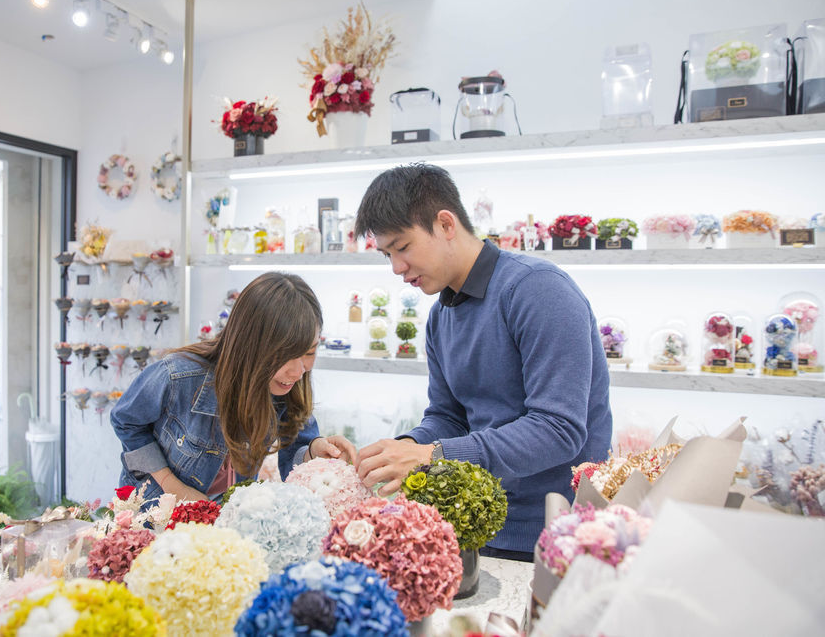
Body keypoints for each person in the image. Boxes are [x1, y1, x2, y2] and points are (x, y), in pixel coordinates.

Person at [353, 163, 612, 561]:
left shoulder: (536, 290)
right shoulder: (442, 316)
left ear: (445, 224)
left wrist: (432, 456)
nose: (396, 269)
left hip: (558, 536)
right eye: (387, 254)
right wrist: (401, 449)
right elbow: (448, 416)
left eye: (403, 247)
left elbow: (559, 429)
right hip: (475, 525)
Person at [111, 271, 356, 504]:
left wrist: (314, 451)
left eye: (309, 352)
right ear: (248, 345)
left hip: (222, 523)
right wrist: (172, 486)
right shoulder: (178, 376)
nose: (297, 371)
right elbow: (125, 420)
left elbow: (293, 452)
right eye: (283, 356)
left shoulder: (286, 388)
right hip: (152, 518)